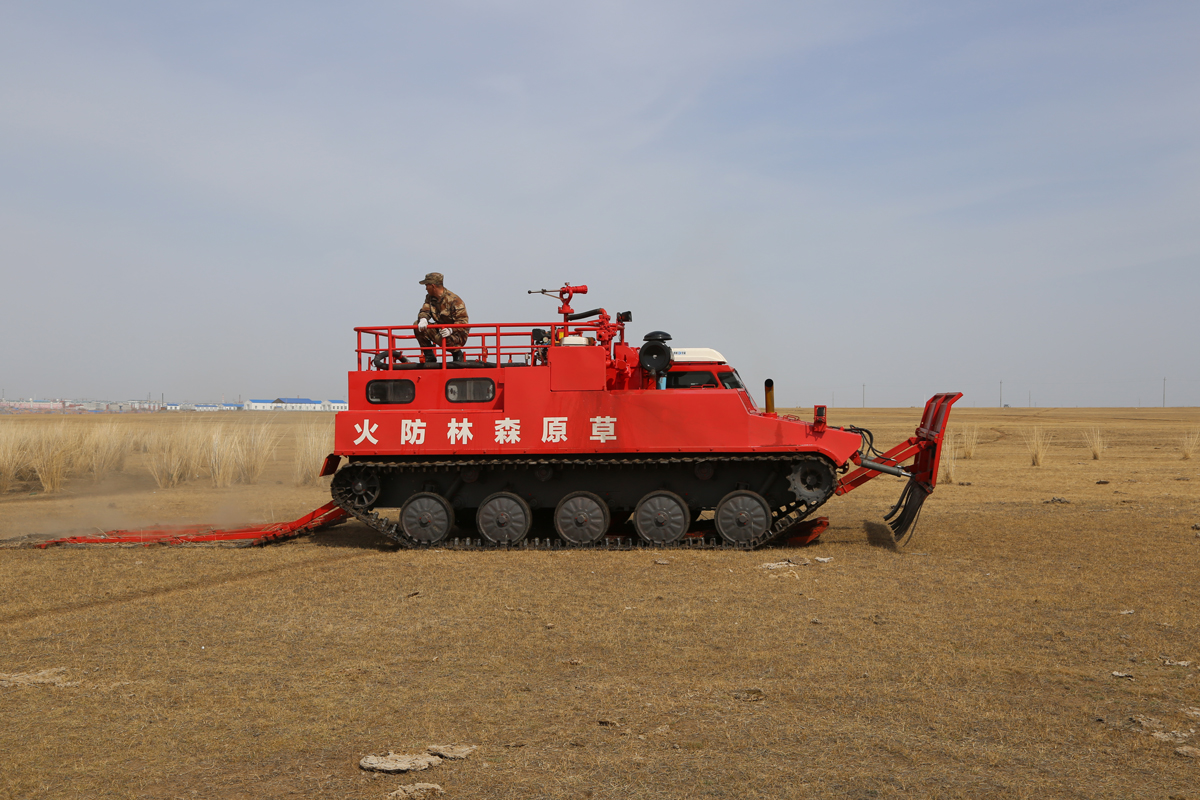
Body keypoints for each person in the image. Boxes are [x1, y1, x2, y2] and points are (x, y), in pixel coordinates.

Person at [414, 272, 470, 362]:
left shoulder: (455, 301)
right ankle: (429, 356)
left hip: (456, 335)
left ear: (433, 286)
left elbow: (463, 322)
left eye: (427, 285)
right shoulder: (430, 297)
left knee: (443, 336)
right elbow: (425, 310)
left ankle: (457, 353)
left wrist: (451, 329)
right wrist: (423, 319)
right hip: (440, 329)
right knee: (416, 325)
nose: (425, 288)